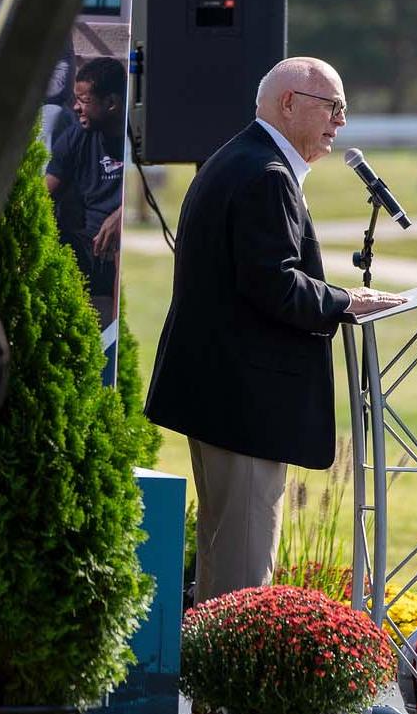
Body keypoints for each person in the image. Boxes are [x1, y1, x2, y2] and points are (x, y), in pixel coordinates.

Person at [144, 56, 402, 633]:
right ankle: (231, 710)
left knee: (222, 550)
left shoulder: (238, 159)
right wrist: (344, 302)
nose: (340, 123)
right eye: (332, 107)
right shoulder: (265, 173)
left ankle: (213, 700)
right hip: (245, 402)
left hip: (222, 395)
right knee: (242, 562)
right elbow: (273, 284)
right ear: (289, 104)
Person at [45, 56, 127, 326]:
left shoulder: (139, 138)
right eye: (75, 99)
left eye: (84, 101)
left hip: (125, 251)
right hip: (88, 250)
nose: (75, 107)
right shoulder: (76, 136)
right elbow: (45, 193)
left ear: (112, 103)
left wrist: (122, 215)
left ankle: (117, 331)